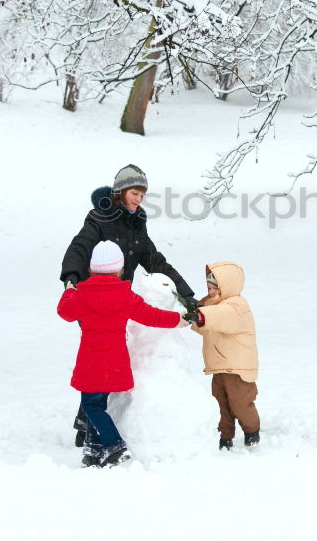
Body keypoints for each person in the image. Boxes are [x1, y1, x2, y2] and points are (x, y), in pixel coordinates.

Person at [60, 164, 197, 445]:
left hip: (118, 298)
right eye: (135, 193)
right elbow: (78, 247)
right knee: (101, 358)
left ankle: (87, 419)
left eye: (142, 195)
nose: (138, 199)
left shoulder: (137, 222)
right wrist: (72, 280)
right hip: (92, 298)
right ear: (121, 192)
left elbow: (154, 260)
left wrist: (186, 294)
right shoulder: (101, 218)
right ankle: (91, 424)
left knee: (102, 360)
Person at [56, 240, 186, 467]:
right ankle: (93, 451)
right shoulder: (125, 297)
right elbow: (151, 316)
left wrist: (69, 291)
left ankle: (115, 445)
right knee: (100, 405)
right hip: (114, 363)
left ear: (91, 268)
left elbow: (64, 312)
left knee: (91, 407)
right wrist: (178, 320)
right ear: (120, 269)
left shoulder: (82, 295)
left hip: (91, 363)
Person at [184, 261, 260, 450]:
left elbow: (220, 316)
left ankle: (252, 431)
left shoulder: (237, 306)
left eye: (214, 288)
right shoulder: (213, 306)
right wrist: (194, 316)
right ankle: (224, 436)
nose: (210, 292)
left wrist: (202, 315)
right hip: (219, 366)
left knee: (240, 403)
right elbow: (205, 327)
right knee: (220, 404)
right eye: (208, 288)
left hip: (238, 368)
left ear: (227, 286)